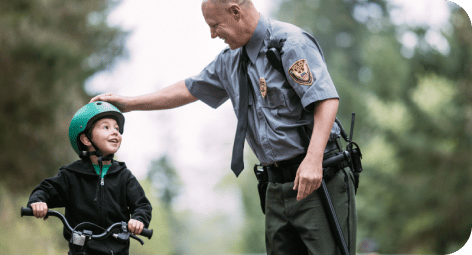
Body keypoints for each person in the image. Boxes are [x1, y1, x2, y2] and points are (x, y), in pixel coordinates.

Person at [90, 0, 356, 254]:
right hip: (276, 188)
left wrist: (313, 159)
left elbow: (326, 100)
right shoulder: (229, 61)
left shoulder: (290, 43)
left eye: (215, 25)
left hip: (317, 179)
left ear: (236, 12)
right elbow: (188, 89)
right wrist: (129, 103)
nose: (212, 34)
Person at [26, 101, 152, 255]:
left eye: (117, 128)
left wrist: (138, 220)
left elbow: (142, 205)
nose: (115, 132)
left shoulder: (124, 176)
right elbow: (45, 190)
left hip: (116, 251)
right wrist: (38, 202)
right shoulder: (71, 175)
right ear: (86, 139)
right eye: (106, 127)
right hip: (81, 250)